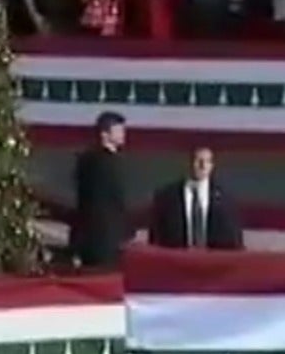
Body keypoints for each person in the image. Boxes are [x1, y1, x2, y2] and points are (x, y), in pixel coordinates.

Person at [70, 111, 135, 268]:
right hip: (104, 238)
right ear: (105, 134)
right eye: (118, 130)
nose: (123, 134)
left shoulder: (88, 159)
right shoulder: (103, 163)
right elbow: (109, 200)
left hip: (98, 236)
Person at [147, 147, 244, 251]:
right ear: (188, 163)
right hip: (176, 258)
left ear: (212, 166)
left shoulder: (226, 199)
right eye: (198, 160)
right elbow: (155, 238)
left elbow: (234, 240)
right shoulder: (166, 197)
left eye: (207, 161)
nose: (203, 166)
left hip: (213, 259)